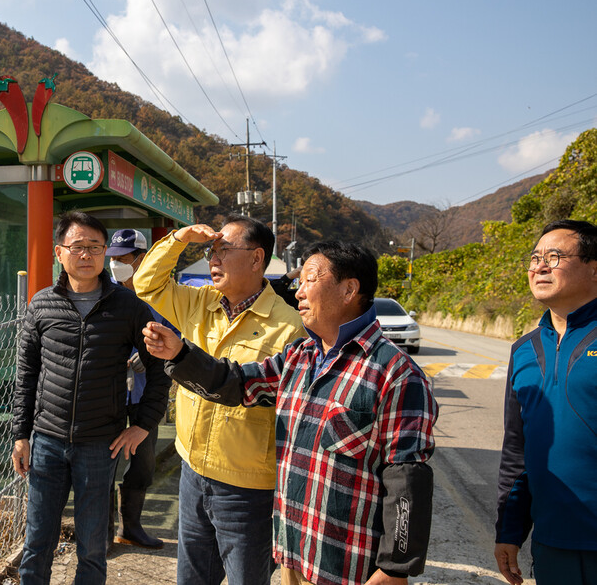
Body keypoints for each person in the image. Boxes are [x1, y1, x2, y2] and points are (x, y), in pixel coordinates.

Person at [143, 241, 438, 585]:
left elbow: (406, 480)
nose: (298, 292)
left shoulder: (395, 374)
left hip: (345, 565)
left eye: (310, 279)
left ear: (349, 290)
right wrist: (181, 355)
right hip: (292, 556)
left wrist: (394, 568)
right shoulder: (301, 356)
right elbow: (238, 383)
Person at [132, 215, 304, 585]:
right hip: (192, 469)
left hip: (248, 486)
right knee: (192, 578)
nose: (213, 260)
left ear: (257, 259)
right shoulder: (200, 302)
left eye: (224, 251)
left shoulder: (288, 326)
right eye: (211, 251)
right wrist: (179, 238)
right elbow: (145, 284)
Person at [11, 212, 170, 584]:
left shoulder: (128, 307)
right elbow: (26, 374)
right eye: (78, 247)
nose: (87, 255)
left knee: (93, 548)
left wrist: (143, 426)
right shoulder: (42, 304)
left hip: (101, 445)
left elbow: (162, 367)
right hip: (47, 441)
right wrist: (21, 434)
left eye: (95, 248)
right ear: (59, 252)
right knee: (36, 544)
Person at [494, 219, 597, 585]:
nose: (539, 266)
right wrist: (509, 531)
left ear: (594, 268)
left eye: (554, 257)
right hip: (552, 544)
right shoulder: (523, 350)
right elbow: (517, 450)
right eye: (535, 257)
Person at [106, 228, 174, 550]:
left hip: (146, 394)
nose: (116, 265)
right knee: (102, 462)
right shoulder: (103, 293)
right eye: (113, 259)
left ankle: (130, 526)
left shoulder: (162, 295)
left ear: (142, 259)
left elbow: (178, 338)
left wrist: (155, 354)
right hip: (108, 395)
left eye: (124, 258)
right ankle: (102, 532)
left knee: (144, 463)